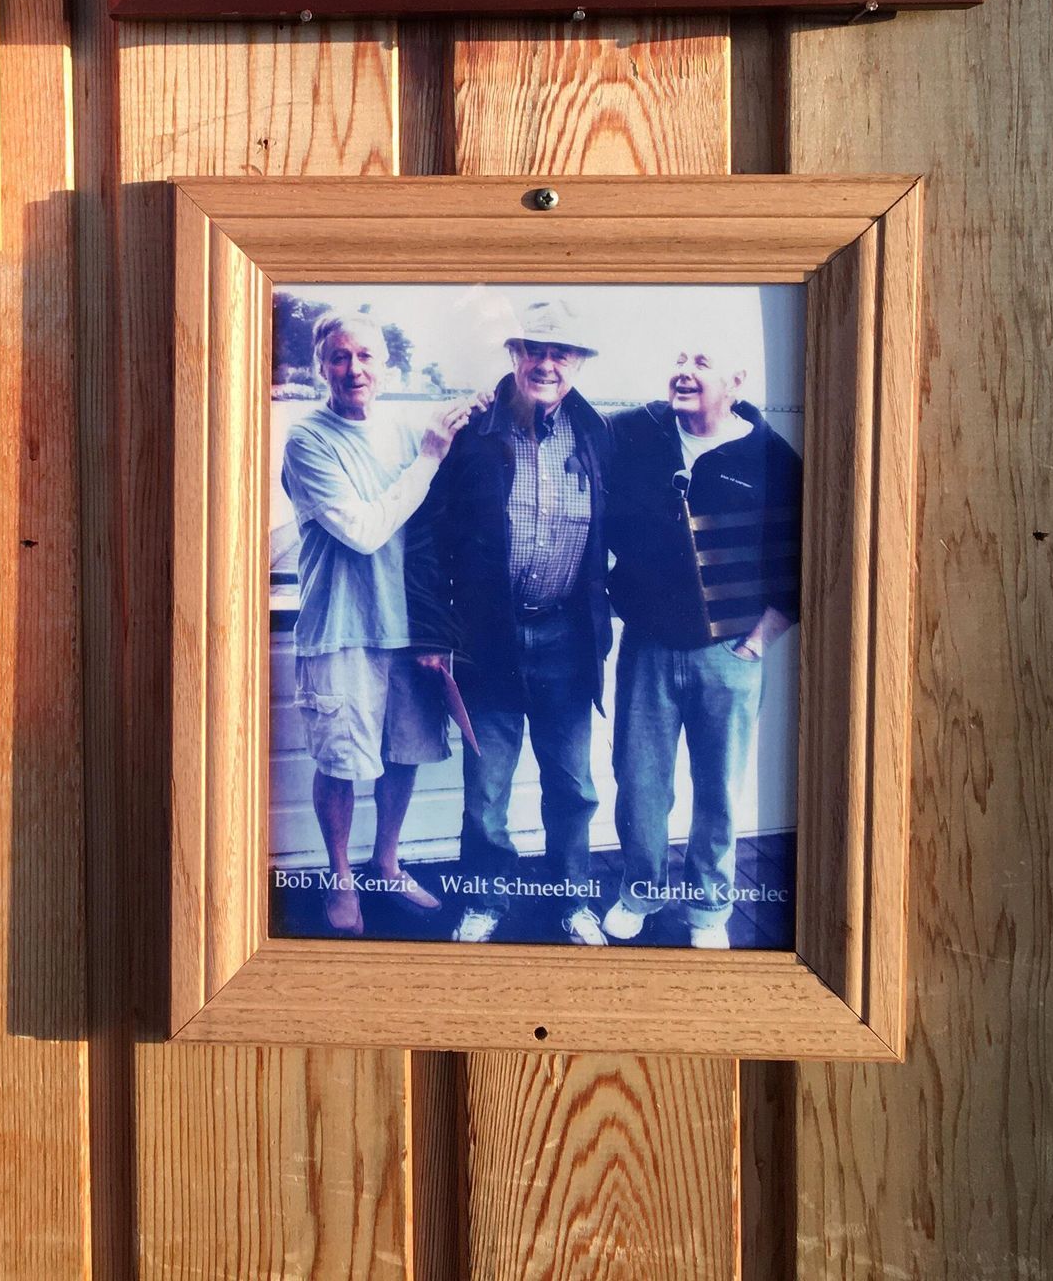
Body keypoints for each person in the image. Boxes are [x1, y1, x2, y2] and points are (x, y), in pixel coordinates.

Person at [406, 299, 616, 946]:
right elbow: (423, 539)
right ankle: (484, 901)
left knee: (573, 787)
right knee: (486, 790)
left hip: (567, 641)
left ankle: (573, 901)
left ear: (579, 363)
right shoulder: (471, 432)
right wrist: (432, 634)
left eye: (561, 353)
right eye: (534, 350)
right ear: (515, 356)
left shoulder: (598, 435)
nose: (546, 364)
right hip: (486, 641)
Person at [600, 336, 803, 951]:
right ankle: (640, 891)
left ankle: (709, 908)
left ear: (736, 383)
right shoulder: (636, 434)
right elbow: (572, 426)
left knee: (718, 790)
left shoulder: (772, 457)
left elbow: (807, 560)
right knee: (640, 784)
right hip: (647, 650)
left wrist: (758, 643)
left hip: (731, 653)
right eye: (679, 360)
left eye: (702, 364)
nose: (684, 372)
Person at [280, 313, 478, 933]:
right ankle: (341, 878)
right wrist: (430, 457)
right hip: (342, 630)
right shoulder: (307, 440)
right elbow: (364, 532)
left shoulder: (407, 431)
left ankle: (386, 863)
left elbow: (437, 529)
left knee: (405, 753)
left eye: (366, 356)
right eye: (339, 357)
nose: (354, 369)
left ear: (387, 366)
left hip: (410, 632)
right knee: (340, 763)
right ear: (321, 367)